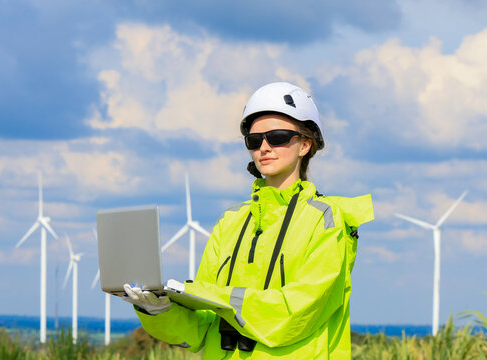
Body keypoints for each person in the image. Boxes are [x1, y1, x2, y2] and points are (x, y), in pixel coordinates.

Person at [123, 82, 374, 359]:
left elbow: (296, 314)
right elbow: (202, 329)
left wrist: (217, 298)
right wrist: (159, 311)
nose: (264, 147)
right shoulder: (230, 221)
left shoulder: (326, 220)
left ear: (305, 144)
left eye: (277, 137)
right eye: (254, 141)